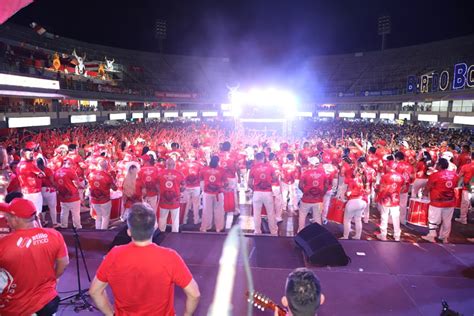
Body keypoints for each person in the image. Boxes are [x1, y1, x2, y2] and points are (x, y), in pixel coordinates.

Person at [89, 203, 200, 315]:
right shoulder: (170, 257)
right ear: (155, 227)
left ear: (129, 231)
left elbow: (95, 291)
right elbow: (194, 294)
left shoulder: (114, 255)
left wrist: (110, 314)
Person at [0, 198, 69, 315]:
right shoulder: (54, 235)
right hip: (48, 301)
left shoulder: (4, 244)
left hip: (18, 307)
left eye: (8, 216)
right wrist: (53, 278)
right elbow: (64, 262)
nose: (5, 219)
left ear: (16, 219)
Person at [422, 158, 459, 243]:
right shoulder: (454, 175)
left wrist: (424, 194)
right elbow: (456, 185)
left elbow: (428, 187)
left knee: (433, 219)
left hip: (437, 202)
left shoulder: (435, 175)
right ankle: (444, 237)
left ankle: (432, 236)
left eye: (437, 164)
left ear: (440, 166)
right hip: (450, 201)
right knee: (447, 220)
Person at [249, 152, 278, 235]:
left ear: (256, 159)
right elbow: (275, 179)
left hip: (257, 193)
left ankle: (257, 231)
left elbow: (249, 183)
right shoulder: (270, 167)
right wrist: (269, 183)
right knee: (270, 213)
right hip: (267, 192)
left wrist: (255, 189)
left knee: (256, 213)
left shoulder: (253, 168)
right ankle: (273, 232)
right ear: (263, 158)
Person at [375, 161, 404, 241]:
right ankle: (397, 235)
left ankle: (383, 235)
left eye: (387, 166)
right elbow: (403, 187)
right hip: (395, 199)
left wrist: (378, 196)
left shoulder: (385, 176)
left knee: (384, 216)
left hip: (386, 199)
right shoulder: (401, 176)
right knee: (396, 217)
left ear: (389, 167)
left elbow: (381, 189)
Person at [298, 157, 329, 231]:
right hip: (319, 200)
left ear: (311, 164)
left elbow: (300, 185)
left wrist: (305, 192)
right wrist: (322, 194)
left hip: (306, 199)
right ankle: (318, 234)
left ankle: (300, 232)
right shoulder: (323, 173)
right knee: (318, 217)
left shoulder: (305, 173)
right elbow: (326, 186)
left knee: (302, 216)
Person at [199, 156, 228, 232]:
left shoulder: (204, 169)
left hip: (207, 193)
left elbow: (201, 179)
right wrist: (223, 187)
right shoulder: (222, 170)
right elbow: (226, 183)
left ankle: (206, 227)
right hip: (218, 193)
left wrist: (203, 188)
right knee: (219, 210)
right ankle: (219, 227)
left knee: (206, 210)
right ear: (218, 162)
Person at [88, 159, 117, 229]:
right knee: (105, 217)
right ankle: (103, 233)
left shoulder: (91, 174)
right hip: (105, 200)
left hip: (94, 200)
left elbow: (89, 186)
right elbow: (114, 188)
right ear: (106, 167)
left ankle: (98, 231)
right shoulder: (108, 176)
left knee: (98, 215)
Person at [157, 158, 185, 233]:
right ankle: (175, 234)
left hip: (163, 200)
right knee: (175, 219)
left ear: (166, 164)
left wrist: (160, 192)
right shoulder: (179, 174)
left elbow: (156, 184)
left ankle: (161, 233)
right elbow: (184, 185)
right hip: (175, 200)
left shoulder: (160, 173)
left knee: (162, 218)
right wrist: (179, 191)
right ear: (174, 165)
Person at [54, 158, 83, 229]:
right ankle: (77, 226)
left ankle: (64, 225)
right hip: (73, 196)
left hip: (63, 196)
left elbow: (55, 183)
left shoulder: (57, 172)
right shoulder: (71, 171)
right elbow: (77, 184)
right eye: (72, 164)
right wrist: (81, 187)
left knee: (64, 212)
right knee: (75, 213)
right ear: (70, 164)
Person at [16, 146, 45, 216]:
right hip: (34, 193)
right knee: (37, 212)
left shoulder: (18, 165)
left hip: (25, 192)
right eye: (30, 154)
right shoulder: (30, 164)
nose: (32, 156)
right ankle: (38, 226)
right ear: (23, 154)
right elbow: (42, 174)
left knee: (28, 213)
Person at [37, 157, 59, 228]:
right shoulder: (48, 170)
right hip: (50, 190)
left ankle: (42, 222)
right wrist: (57, 187)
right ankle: (54, 223)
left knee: (43, 207)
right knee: (52, 207)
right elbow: (52, 181)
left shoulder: (36, 170)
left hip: (40, 190)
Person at [456, 152, 474, 225]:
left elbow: (459, 176)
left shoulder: (465, 166)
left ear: (471, 157)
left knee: (465, 204)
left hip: (467, 188)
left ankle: (463, 219)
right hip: (470, 187)